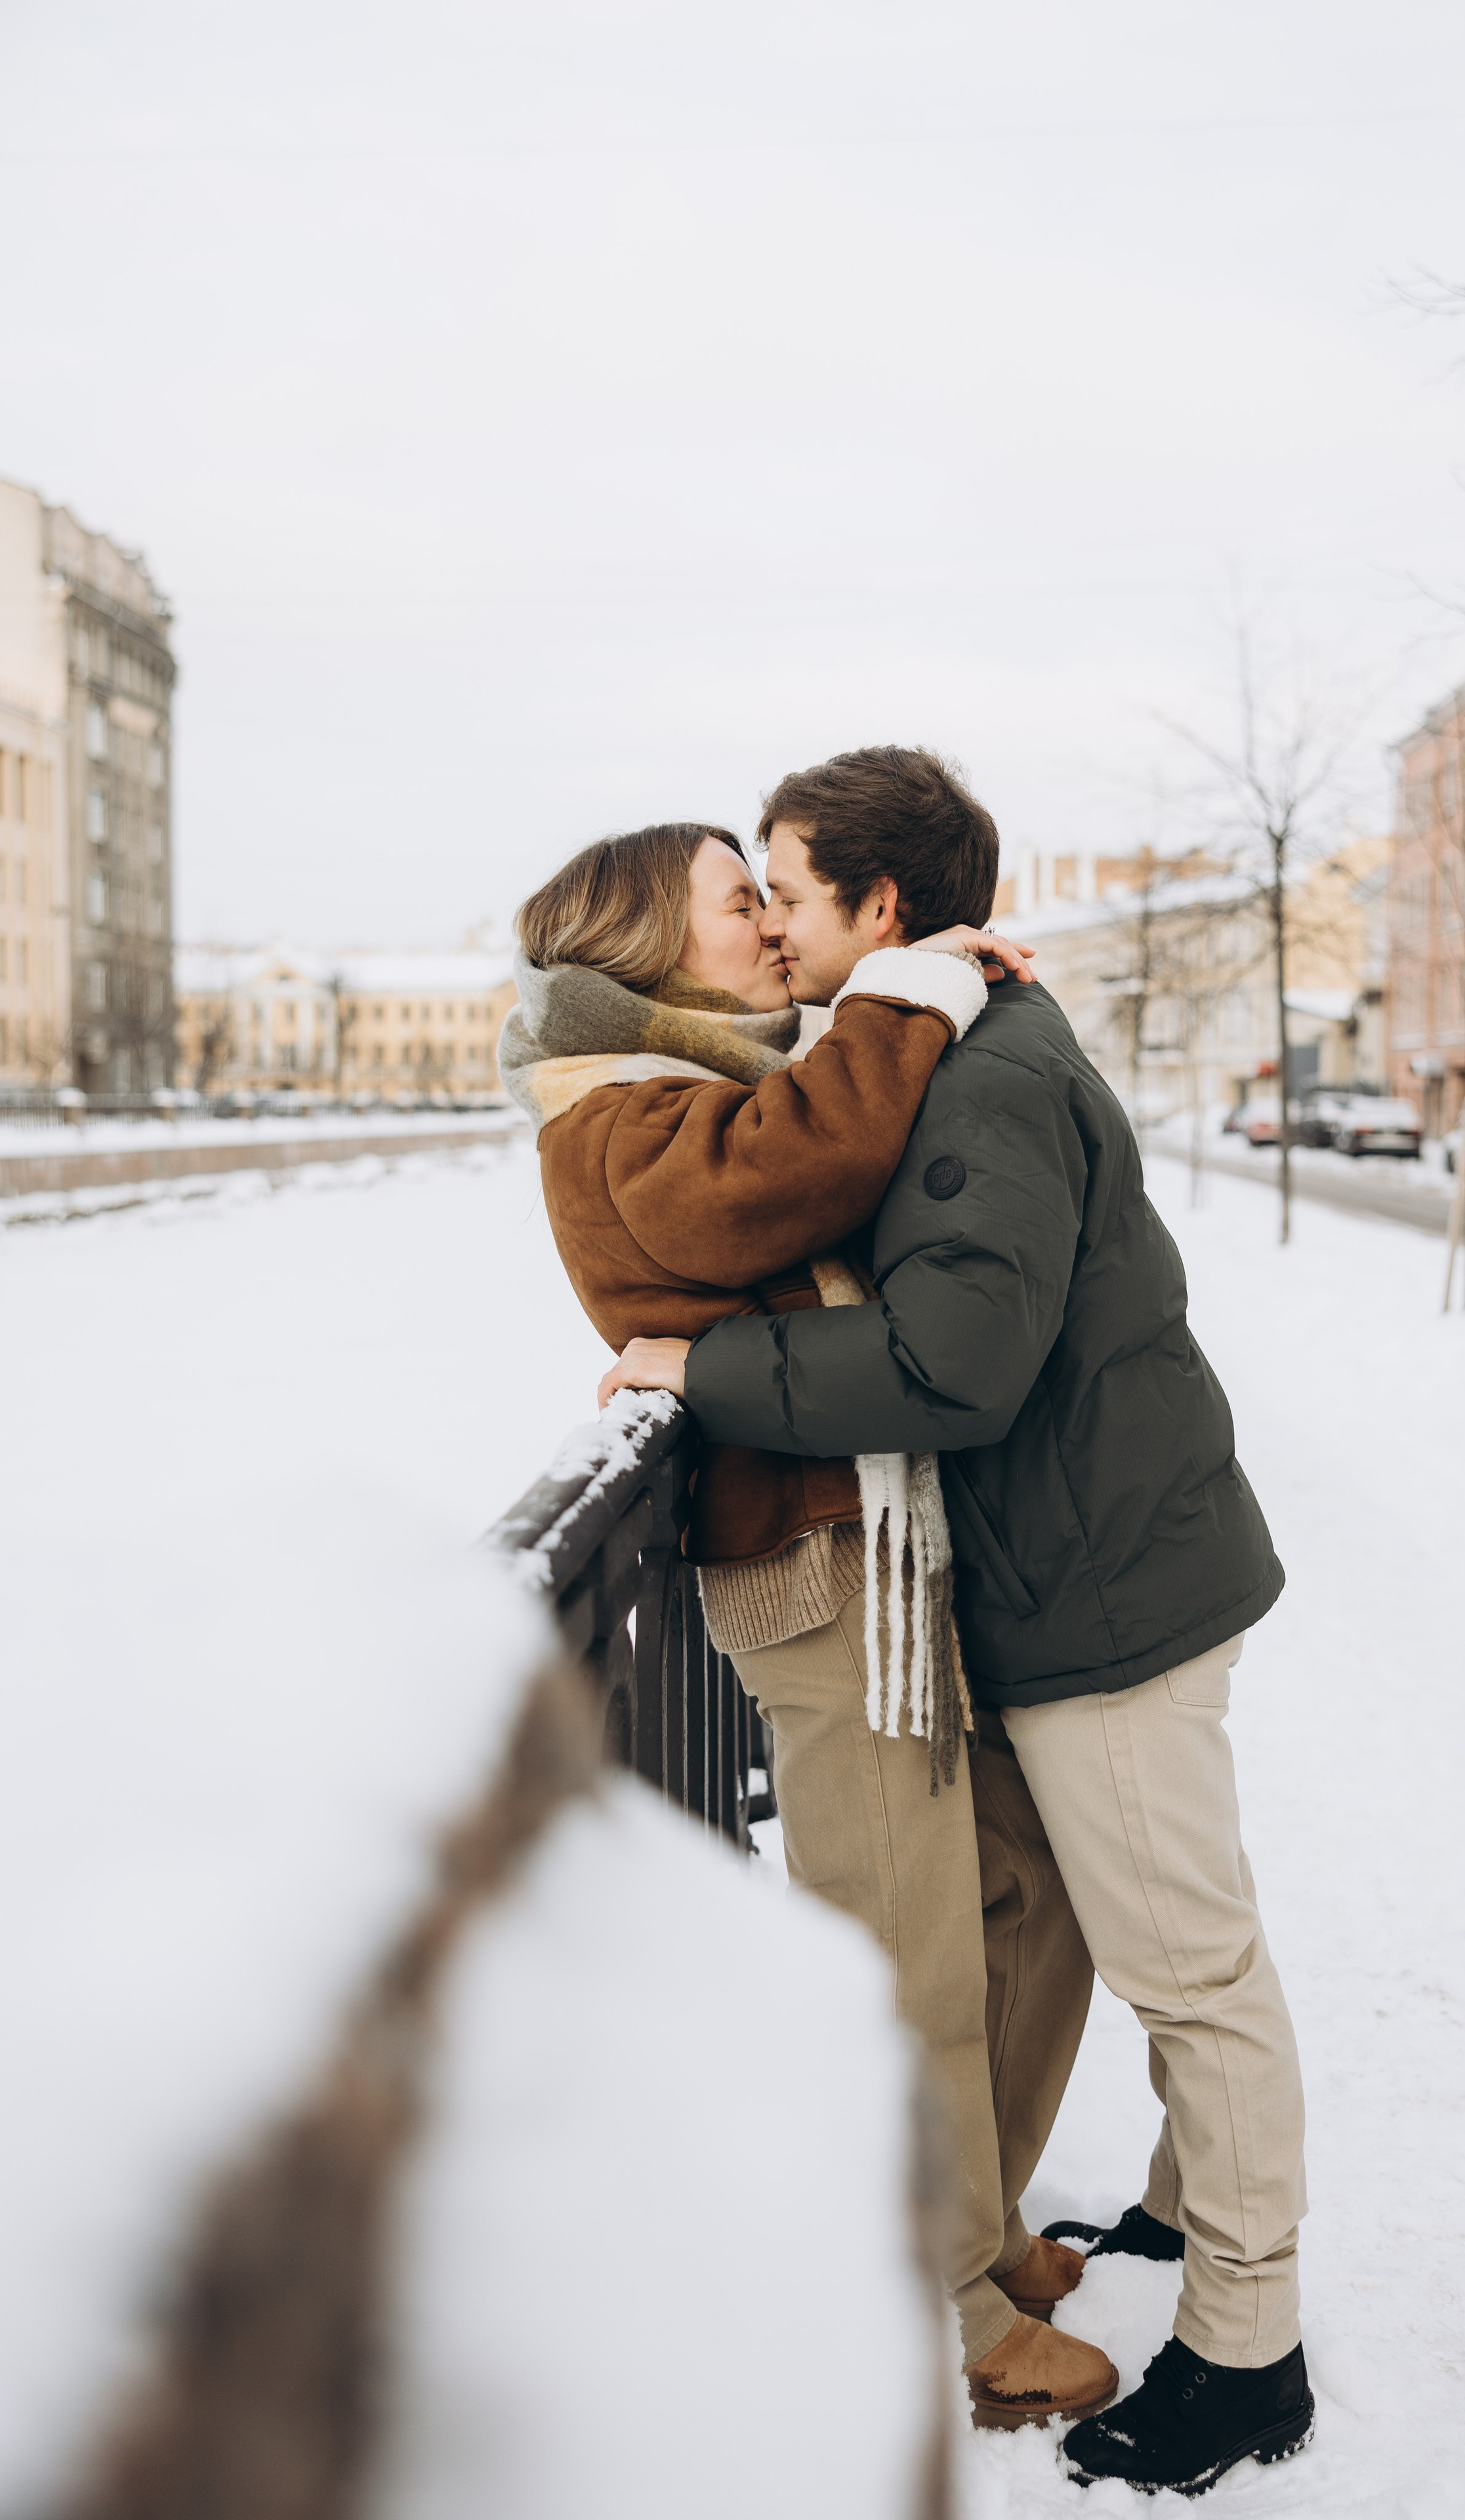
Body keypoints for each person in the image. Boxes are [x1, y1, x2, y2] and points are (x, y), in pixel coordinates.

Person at [604, 747, 1315, 2496]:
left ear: (882, 908)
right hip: (1091, 1565)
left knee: (1192, 1970)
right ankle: (1149, 2218)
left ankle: (1251, 2347)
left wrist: (705, 1366)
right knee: (1124, 1938)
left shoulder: (982, 1083)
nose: (768, 919)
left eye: (787, 888)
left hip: (1108, 1595)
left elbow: (954, 1366)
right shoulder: (954, 1039)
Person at [499, 815, 1115, 2428]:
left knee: (1023, 1886)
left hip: (884, 1553)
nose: (772, 929)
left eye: (775, 903)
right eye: (736, 904)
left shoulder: (704, 1078)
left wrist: (889, 1004)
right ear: (644, 943)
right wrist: (908, 992)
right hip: (806, 1574)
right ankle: (955, 2309)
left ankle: (967, 2224)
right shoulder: (612, 1115)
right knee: (904, 1943)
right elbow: (802, 1167)